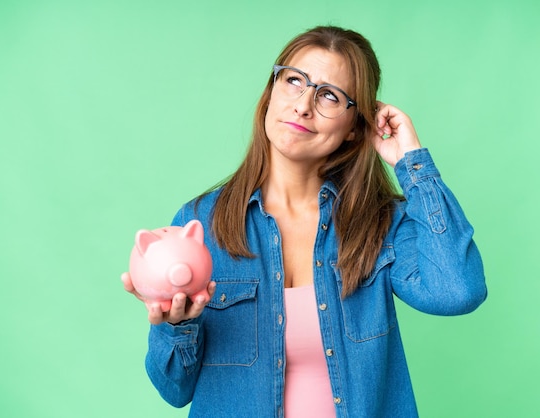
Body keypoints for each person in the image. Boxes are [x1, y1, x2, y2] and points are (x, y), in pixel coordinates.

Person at [122, 25, 487, 418]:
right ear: (271, 93)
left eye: (329, 95)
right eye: (294, 81)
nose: (303, 105)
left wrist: (411, 161)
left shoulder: (380, 224)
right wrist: (176, 326)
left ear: (354, 129)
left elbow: (457, 291)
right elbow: (174, 389)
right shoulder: (201, 224)